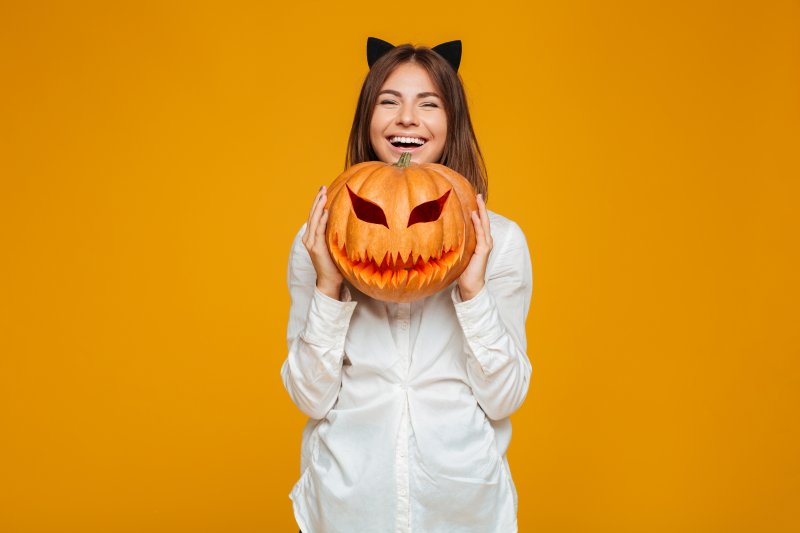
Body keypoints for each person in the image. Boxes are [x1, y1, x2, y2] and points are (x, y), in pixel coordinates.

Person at [281, 37, 533, 533]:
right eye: (389, 101)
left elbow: (504, 399)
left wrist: (472, 290)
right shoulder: (317, 239)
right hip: (347, 504)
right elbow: (309, 398)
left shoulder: (500, 240)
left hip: (463, 508)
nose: (407, 119)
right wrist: (329, 288)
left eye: (428, 104)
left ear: (451, 121)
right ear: (367, 118)